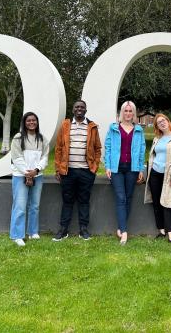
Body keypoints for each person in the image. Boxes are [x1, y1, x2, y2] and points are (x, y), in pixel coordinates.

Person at [52, 100, 102, 241]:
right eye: (77, 107)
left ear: (86, 110)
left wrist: (95, 167)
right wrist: (58, 169)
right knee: (67, 200)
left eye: (82, 107)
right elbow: (59, 148)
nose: (79, 109)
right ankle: (63, 230)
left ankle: (83, 230)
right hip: (68, 171)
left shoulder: (92, 127)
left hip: (86, 171)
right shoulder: (65, 125)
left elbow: (98, 148)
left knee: (84, 200)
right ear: (73, 110)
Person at [104, 101, 145, 245]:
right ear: (122, 112)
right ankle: (125, 232)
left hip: (132, 168)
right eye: (126, 111)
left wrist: (140, 169)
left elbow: (141, 151)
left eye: (130, 111)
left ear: (134, 113)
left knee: (128, 197)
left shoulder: (138, 130)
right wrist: (108, 166)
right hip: (116, 168)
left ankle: (121, 228)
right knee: (121, 197)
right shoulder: (114, 128)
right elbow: (108, 147)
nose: (128, 113)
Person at [10, 112, 49, 247]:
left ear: (37, 122)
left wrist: (36, 171)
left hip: (37, 176)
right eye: (28, 121)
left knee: (35, 206)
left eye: (34, 120)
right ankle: (17, 235)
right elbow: (16, 158)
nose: (31, 123)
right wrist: (27, 173)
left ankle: (33, 232)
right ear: (24, 123)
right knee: (20, 206)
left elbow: (45, 157)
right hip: (20, 176)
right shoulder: (18, 138)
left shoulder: (42, 139)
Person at [144, 113, 171, 247]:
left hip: (168, 176)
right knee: (156, 203)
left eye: (163, 120)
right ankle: (161, 231)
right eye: (158, 122)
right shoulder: (157, 139)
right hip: (154, 174)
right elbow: (152, 156)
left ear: (168, 121)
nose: (162, 123)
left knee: (168, 204)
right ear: (157, 126)